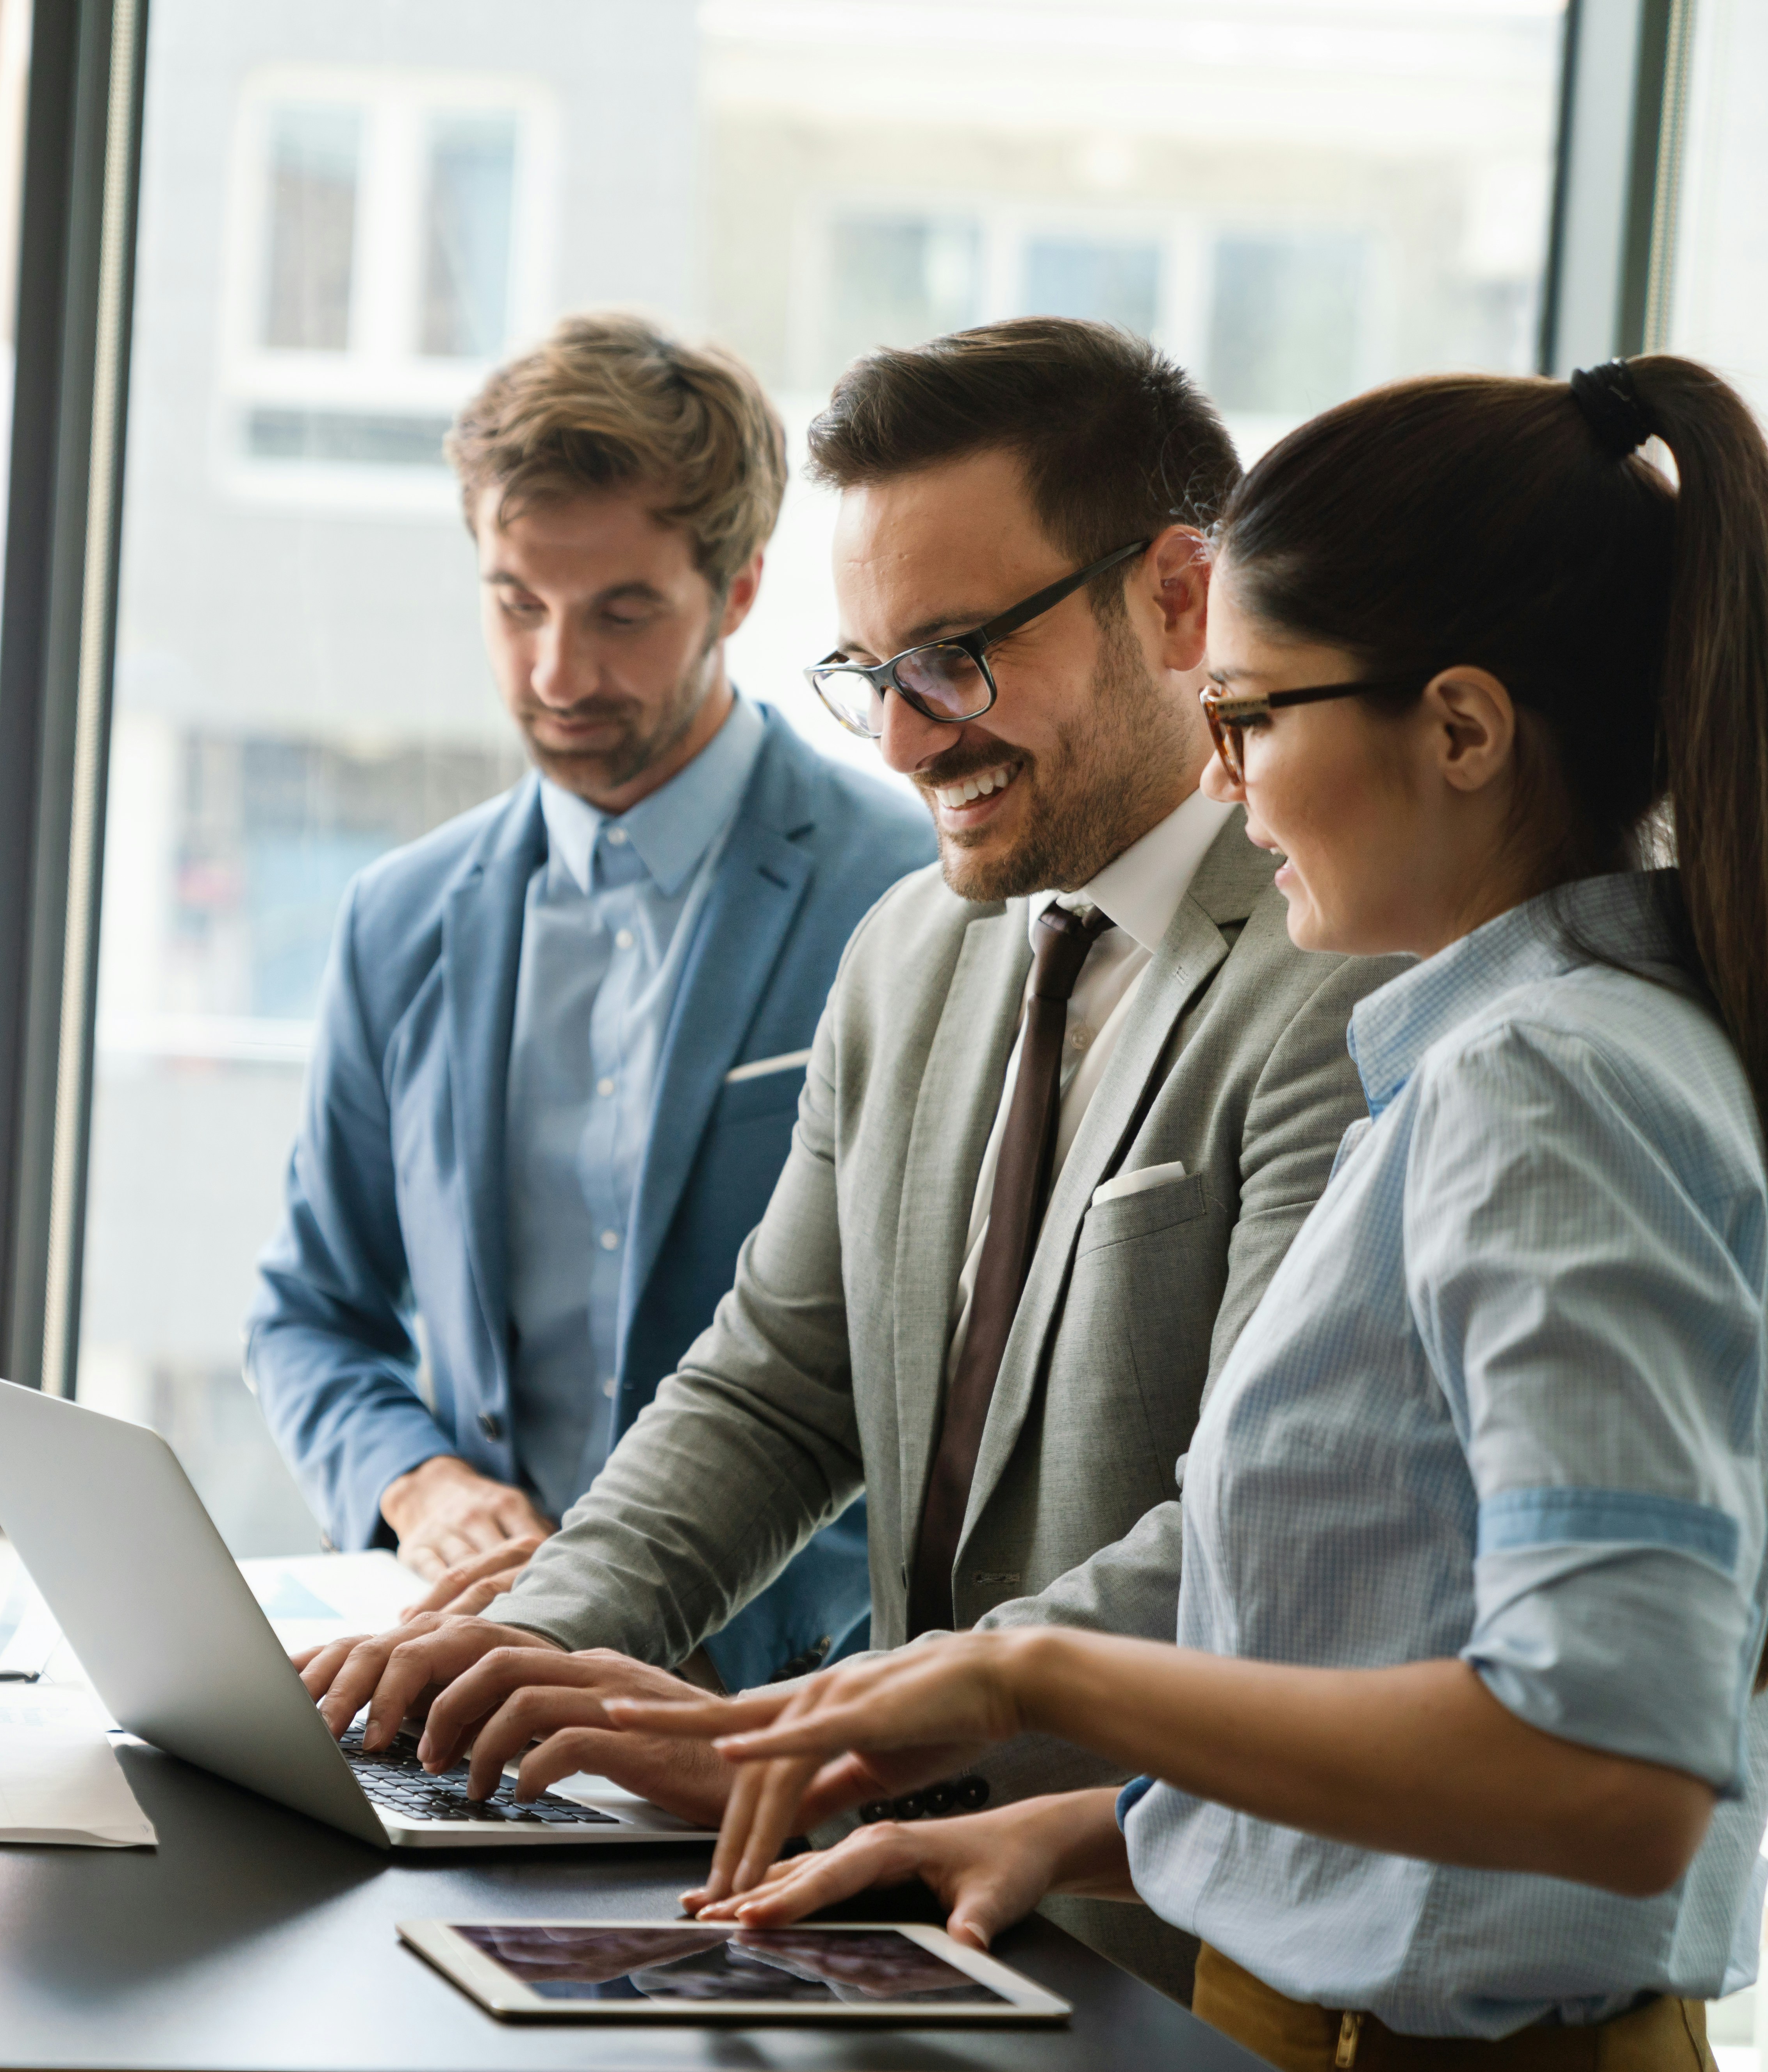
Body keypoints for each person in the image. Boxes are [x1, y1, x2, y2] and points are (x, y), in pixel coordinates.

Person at [621, 354, 1768, 2072]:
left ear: (1458, 729)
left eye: (1247, 719)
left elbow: (1609, 1774)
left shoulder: (1544, 1087)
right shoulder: (1502, 1055)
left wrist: (1030, 1686)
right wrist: (1092, 1828)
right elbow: (1393, 1647)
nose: (1219, 783)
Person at [296, 318, 1399, 1995]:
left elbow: (1250, 1542)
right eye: (873, 671)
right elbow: (776, 1389)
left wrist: (811, 1738)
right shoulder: (911, 948)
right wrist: (515, 1658)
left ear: (1178, 599)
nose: (900, 742)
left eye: (954, 656)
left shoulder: (1344, 971)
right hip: (896, 1914)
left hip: (1188, 1949)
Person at [246, 314, 931, 1687]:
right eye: (517, 604)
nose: (557, 675)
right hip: (471, 1688)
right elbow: (312, 1313)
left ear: (737, 592)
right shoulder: (402, 918)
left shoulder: (912, 894)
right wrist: (419, 1480)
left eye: (622, 612)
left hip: (795, 1702)